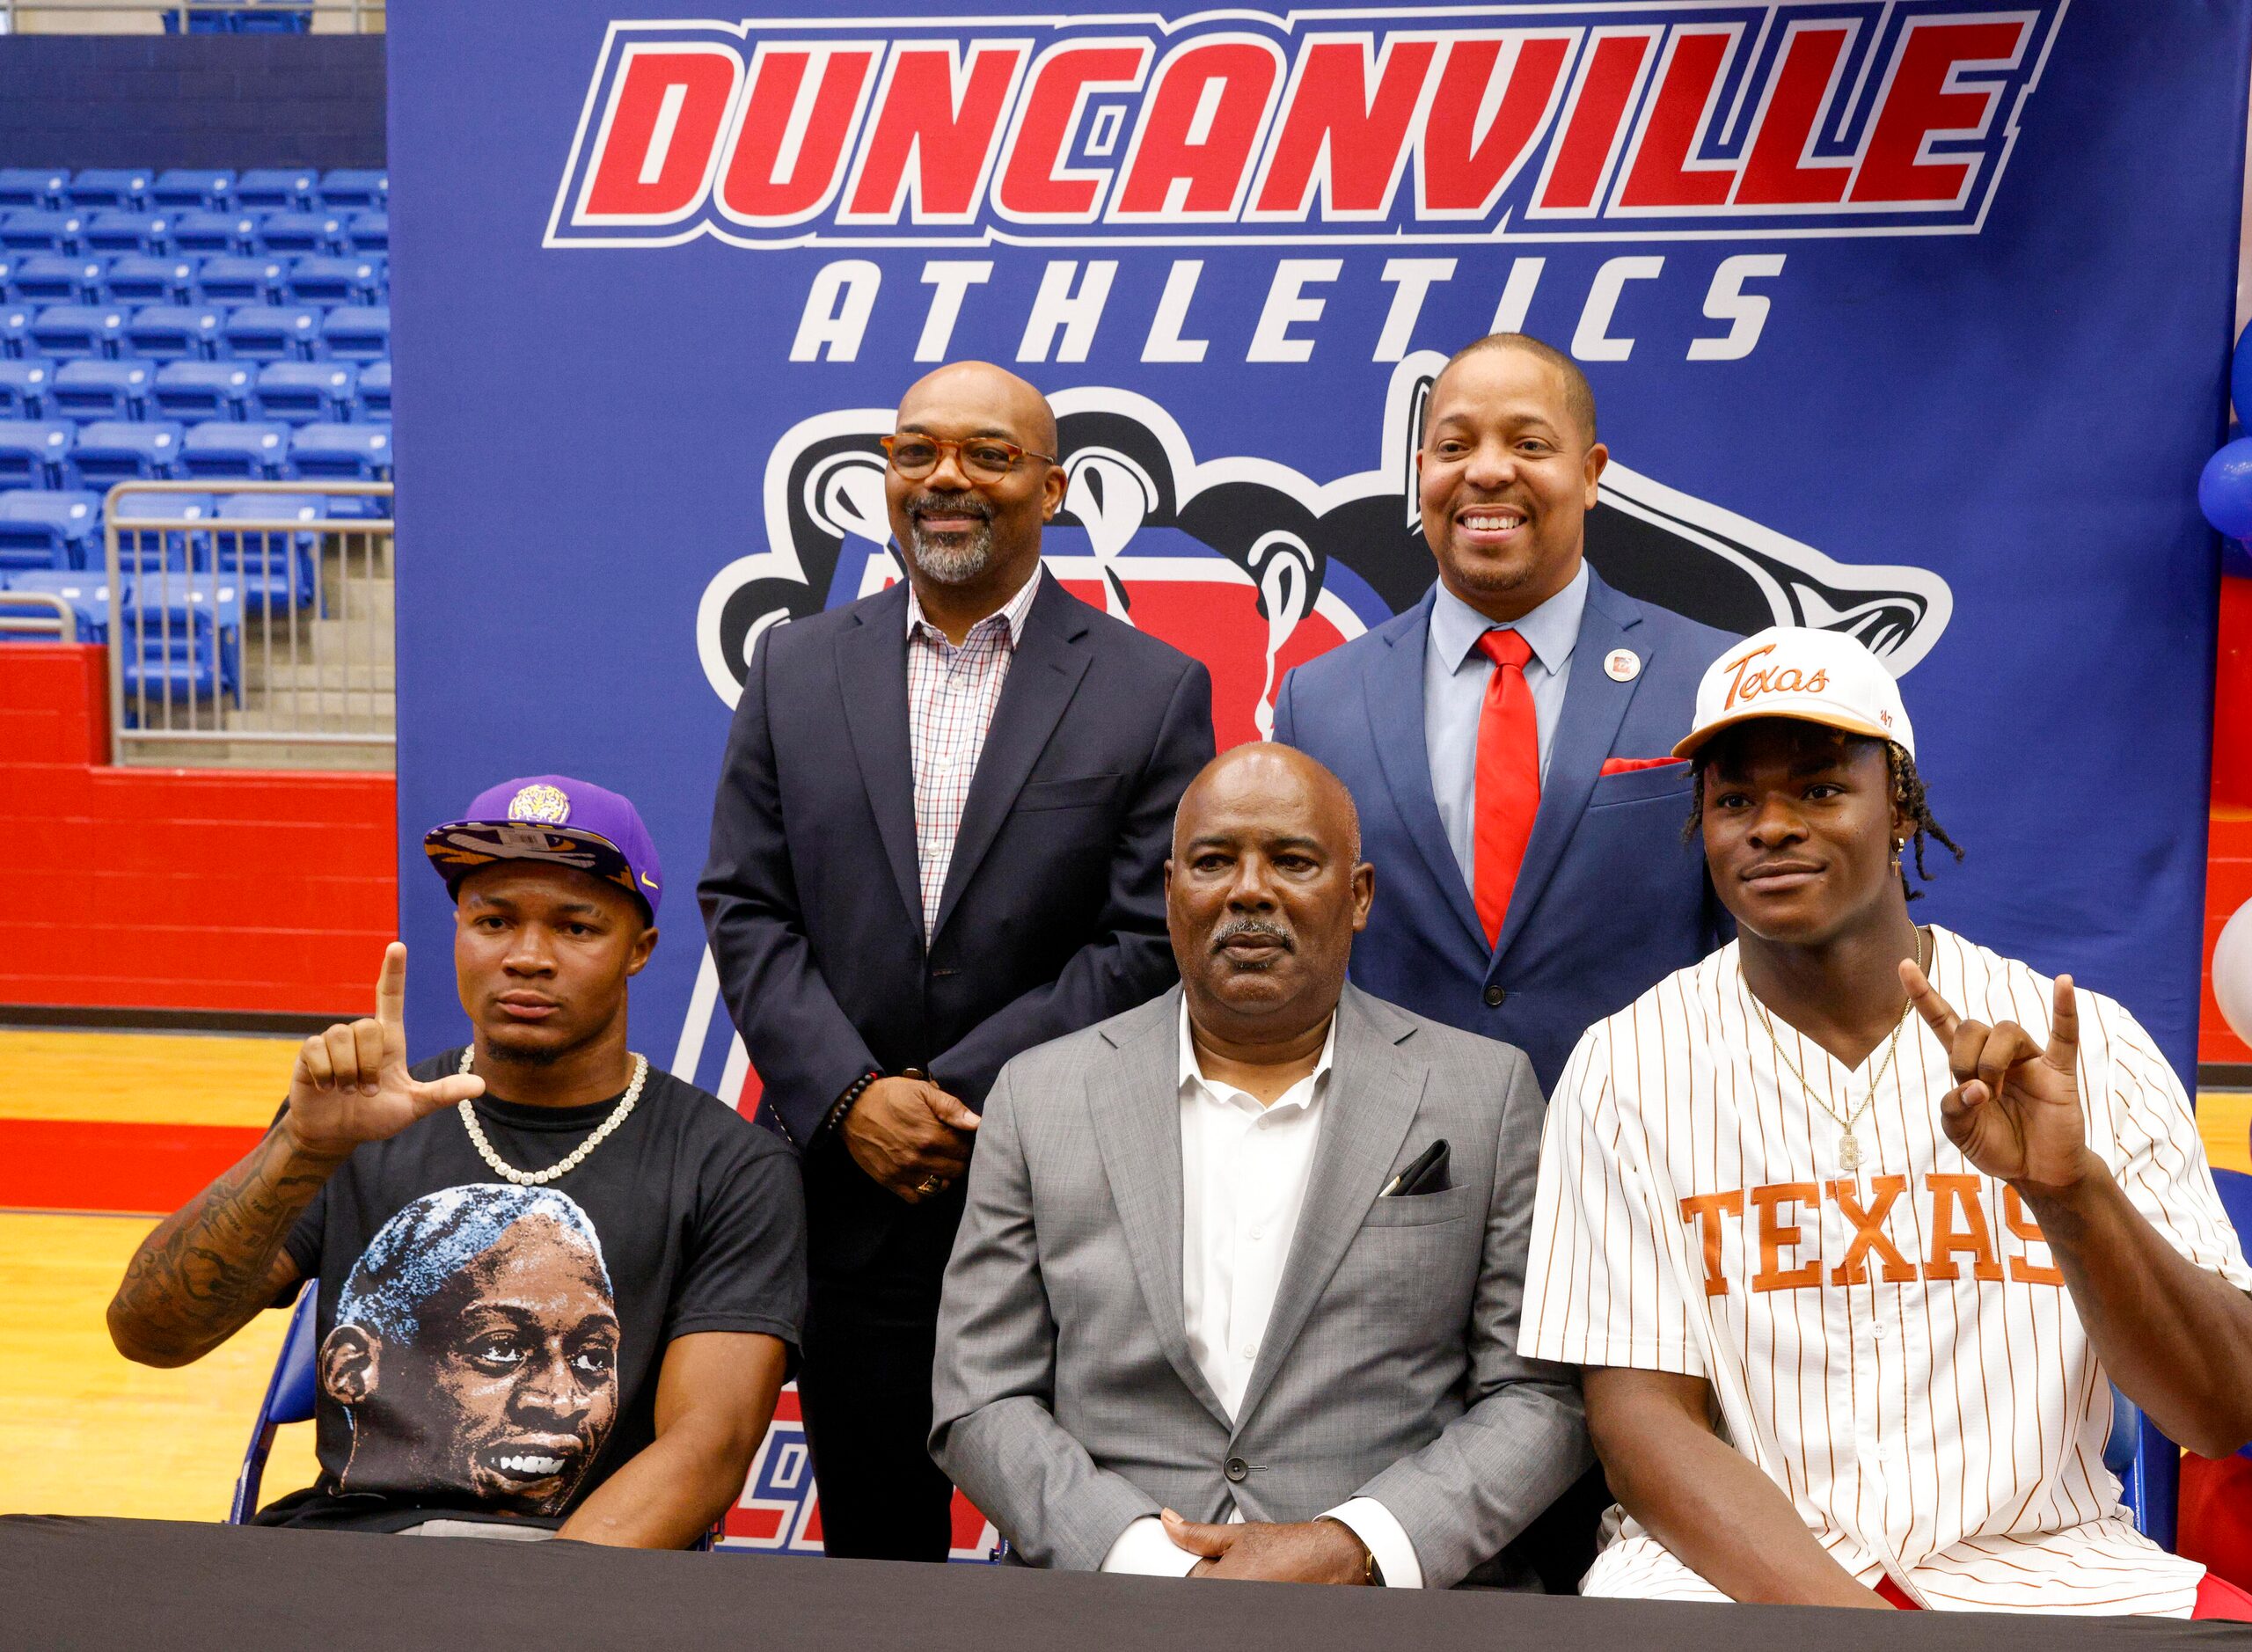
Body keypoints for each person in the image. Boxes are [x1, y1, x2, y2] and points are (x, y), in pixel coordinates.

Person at [1517, 627, 2252, 1618]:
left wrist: (2069, 1192)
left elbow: (2225, 1413)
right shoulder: (1624, 1064)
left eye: (1820, 788)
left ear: (1900, 809)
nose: (1771, 826)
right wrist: (1868, 1639)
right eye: (1734, 799)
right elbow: (1640, 1429)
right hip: (1723, 1589)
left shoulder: (2078, 1042)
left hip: (2054, 1578)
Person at [700, 360, 1217, 1562]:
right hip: (852, 1188)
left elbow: (1147, 936)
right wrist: (851, 1098)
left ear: (1054, 489)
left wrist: (953, 1097)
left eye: (988, 454)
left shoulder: (1151, 688)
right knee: (878, 1546)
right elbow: (746, 901)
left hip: (1061, 1192)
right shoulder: (793, 667)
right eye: (914, 449)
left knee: (1087, 1542)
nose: (945, 477)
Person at [1270, 332, 1732, 1586]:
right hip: (1401, 1224)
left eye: (1527, 442)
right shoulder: (1319, 698)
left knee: (1634, 1565)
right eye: (1454, 442)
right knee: (1420, 1565)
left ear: (1591, 471)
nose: (1488, 470)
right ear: (1417, 474)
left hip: (1648, 1206)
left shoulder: (1706, 676)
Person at [930, 744, 1590, 1590]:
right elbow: (981, 1396)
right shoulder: (1039, 1096)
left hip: (1397, 1610)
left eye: (1292, 860)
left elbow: (1541, 1396)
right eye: (1213, 862)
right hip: (1107, 1603)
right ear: (1170, 894)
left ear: (1357, 897)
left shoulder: (1483, 1096)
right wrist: (1149, 1563)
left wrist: (1357, 1547)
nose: (1249, 890)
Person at [106, 776, 806, 1546]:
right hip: (352, 1550)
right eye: (494, 920)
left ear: (638, 951)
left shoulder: (730, 1167)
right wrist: (299, 1150)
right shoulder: (355, 1128)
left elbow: (707, 1450)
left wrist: (510, 1618)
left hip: (588, 1567)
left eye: (577, 928)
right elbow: (152, 1336)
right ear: (457, 933)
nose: (528, 957)